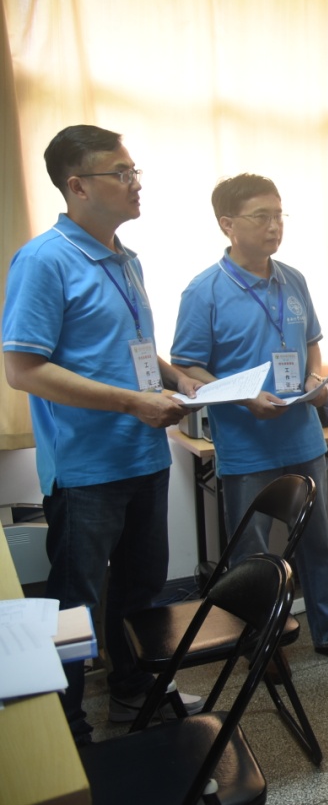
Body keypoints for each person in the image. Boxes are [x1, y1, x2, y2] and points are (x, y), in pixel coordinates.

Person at [2, 125, 204, 744]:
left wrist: (177, 378)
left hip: (143, 453)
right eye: (121, 172)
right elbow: (23, 369)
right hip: (87, 467)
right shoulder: (44, 259)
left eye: (135, 171)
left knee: (142, 588)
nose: (135, 182)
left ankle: (132, 692)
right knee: (74, 603)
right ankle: (65, 731)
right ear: (78, 186)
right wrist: (132, 402)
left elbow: (130, 348)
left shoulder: (125, 258)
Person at [171, 173, 328, 662]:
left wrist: (314, 379)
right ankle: (260, 644)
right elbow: (187, 367)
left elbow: (311, 344)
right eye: (261, 216)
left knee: (319, 542)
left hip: (302, 436)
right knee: (252, 553)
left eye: (279, 215)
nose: (274, 225)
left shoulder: (293, 279)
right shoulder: (204, 290)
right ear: (227, 224)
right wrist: (245, 398)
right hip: (247, 443)